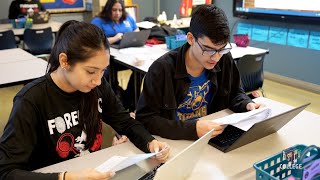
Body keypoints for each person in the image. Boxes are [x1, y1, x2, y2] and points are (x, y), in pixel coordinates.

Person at [0, 20, 170, 180]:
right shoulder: (31, 100)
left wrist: (150, 143)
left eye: (103, 71)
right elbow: (6, 172)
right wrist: (65, 177)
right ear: (64, 61)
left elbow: (124, 121)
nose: (97, 80)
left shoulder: (96, 86)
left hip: (93, 170)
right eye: (90, 71)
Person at [136, 5, 263, 140]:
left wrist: (247, 104)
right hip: (176, 139)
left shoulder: (224, 58)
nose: (215, 57)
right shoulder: (162, 69)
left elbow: (235, 93)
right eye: (208, 49)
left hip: (213, 135)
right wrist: (192, 129)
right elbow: (146, 118)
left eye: (221, 49)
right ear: (190, 39)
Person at [91, 0, 138, 111]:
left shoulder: (127, 18)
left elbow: (136, 29)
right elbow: (94, 41)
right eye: (114, 10)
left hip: (127, 53)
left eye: (120, 10)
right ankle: (108, 102)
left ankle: (130, 100)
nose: (118, 13)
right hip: (107, 56)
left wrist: (133, 36)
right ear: (108, 10)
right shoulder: (98, 21)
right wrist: (115, 38)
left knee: (137, 72)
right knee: (106, 74)